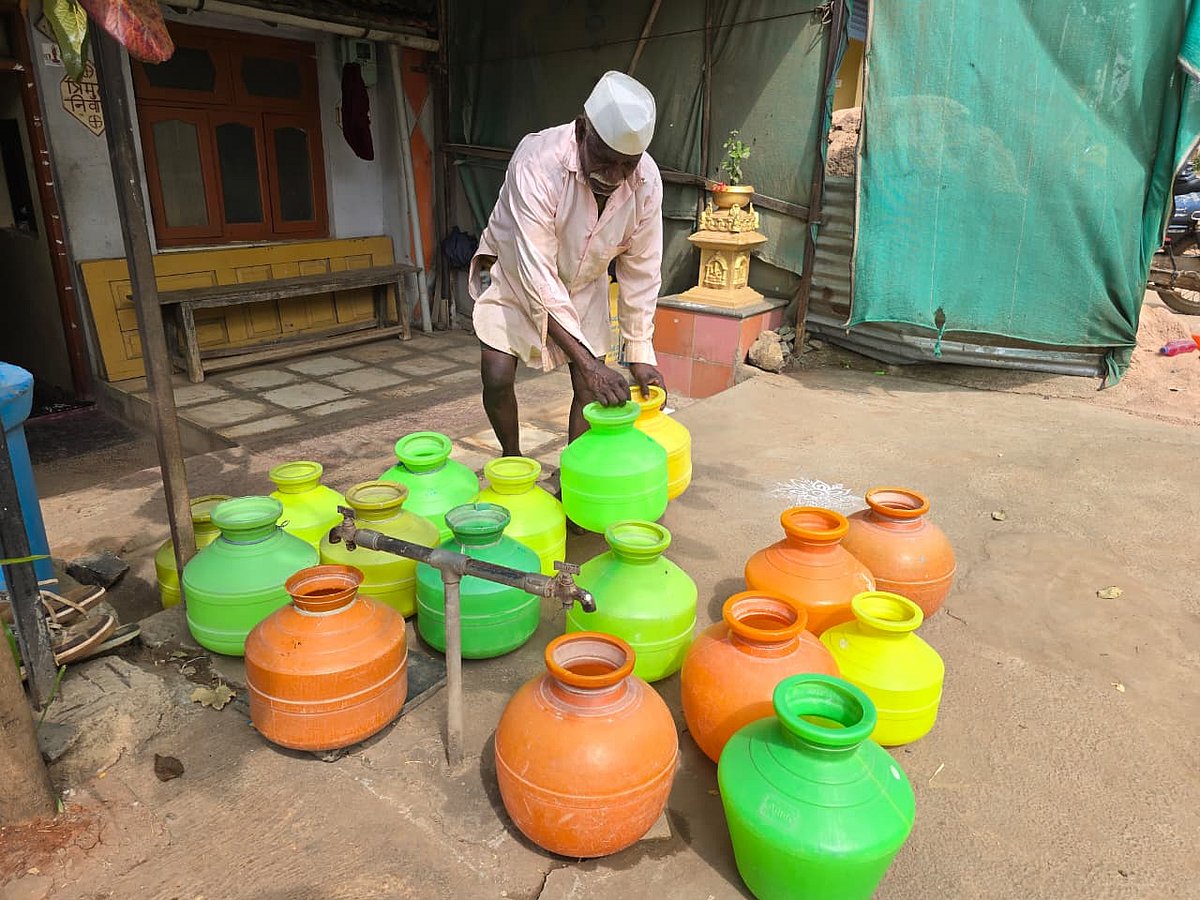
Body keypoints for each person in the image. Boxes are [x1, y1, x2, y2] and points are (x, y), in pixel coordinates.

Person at [469, 70, 666, 458]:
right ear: (581, 130)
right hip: (517, 273)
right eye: (605, 160)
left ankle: (574, 472)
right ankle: (513, 459)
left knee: (591, 389)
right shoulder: (537, 161)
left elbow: (642, 270)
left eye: (627, 165)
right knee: (496, 373)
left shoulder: (646, 181)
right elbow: (536, 273)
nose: (614, 177)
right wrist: (589, 363)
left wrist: (640, 354)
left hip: (584, 282)